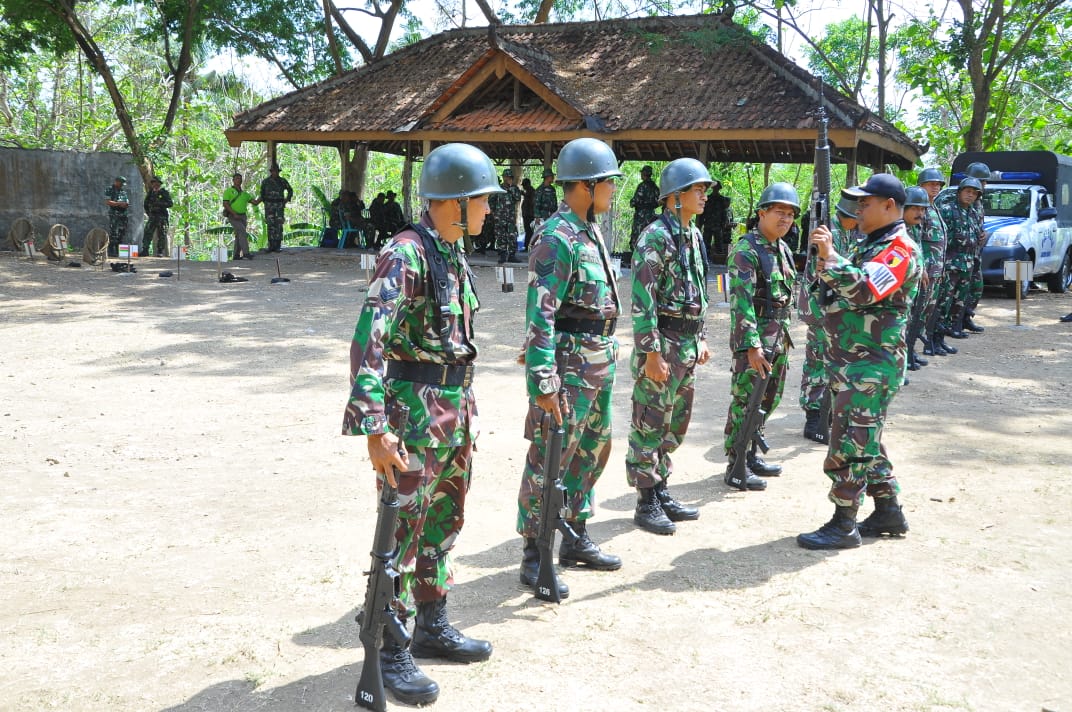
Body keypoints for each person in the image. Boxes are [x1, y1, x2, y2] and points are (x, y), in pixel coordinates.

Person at [342, 143, 503, 706]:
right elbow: (370, 340)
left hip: (453, 413)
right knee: (403, 534)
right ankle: (390, 648)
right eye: (482, 200)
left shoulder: (449, 253)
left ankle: (432, 624)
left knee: (443, 523)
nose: (489, 209)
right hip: (413, 418)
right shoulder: (406, 254)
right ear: (453, 202)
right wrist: (373, 427)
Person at [517, 137, 623, 597]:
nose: (614, 191)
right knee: (550, 457)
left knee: (592, 450)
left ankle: (574, 532)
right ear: (585, 185)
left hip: (598, 360)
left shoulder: (589, 229)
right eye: (608, 183)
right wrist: (543, 378)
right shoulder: (556, 236)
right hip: (569, 363)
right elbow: (539, 313)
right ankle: (534, 550)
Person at [797, 173, 922, 550]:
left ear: (889, 206)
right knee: (866, 438)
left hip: (871, 365)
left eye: (866, 203)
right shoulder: (873, 244)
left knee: (852, 442)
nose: (859, 209)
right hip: (854, 363)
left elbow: (866, 289)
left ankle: (844, 523)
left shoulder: (899, 249)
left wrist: (831, 257)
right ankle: (887, 510)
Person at [626, 158, 712, 535]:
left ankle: (660, 488)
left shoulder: (692, 235)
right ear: (675, 197)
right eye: (698, 189)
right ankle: (646, 501)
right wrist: (651, 353)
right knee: (649, 422)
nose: (704, 195)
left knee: (674, 424)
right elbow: (643, 300)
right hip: (662, 344)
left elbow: (698, 289)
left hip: (687, 343)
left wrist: (701, 333)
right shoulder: (655, 237)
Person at [722, 182, 799, 491]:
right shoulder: (745, 251)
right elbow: (741, 305)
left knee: (768, 400)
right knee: (745, 402)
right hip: (756, 344)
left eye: (791, 214)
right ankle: (735, 463)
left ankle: (751, 454)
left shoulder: (783, 248)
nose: (786, 219)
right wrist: (752, 347)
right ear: (762, 213)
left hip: (778, 340)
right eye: (779, 212)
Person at [799, 195, 859, 442]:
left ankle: (829, 414)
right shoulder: (827, 232)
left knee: (835, 362)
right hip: (820, 308)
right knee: (817, 362)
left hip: (838, 307)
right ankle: (814, 417)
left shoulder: (849, 233)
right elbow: (820, 270)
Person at [936, 177, 984, 342]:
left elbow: (976, 235)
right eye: (967, 192)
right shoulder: (947, 210)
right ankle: (936, 336)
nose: (970, 196)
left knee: (960, 301)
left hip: (968, 263)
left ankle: (952, 329)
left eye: (974, 193)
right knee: (944, 300)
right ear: (960, 192)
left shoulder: (973, 213)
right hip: (951, 263)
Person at [903, 185, 943, 371]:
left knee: (917, 316)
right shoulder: (899, 229)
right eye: (915, 208)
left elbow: (918, 249)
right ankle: (903, 359)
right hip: (904, 283)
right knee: (905, 319)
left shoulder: (915, 227)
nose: (920, 213)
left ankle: (909, 353)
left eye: (922, 209)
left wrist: (923, 268)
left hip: (918, 277)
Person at [916, 168, 951, 358]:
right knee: (917, 310)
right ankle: (906, 351)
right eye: (931, 184)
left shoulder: (934, 208)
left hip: (936, 270)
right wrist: (920, 267)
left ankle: (913, 349)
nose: (935, 187)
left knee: (928, 310)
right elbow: (916, 240)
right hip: (926, 271)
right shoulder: (919, 209)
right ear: (921, 186)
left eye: (938, 184)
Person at [626, 165, 660, 266]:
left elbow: (635, 201)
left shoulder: (642, 186)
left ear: (644, 174)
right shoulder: (655, 187)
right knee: (648, 237)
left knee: (636, 236)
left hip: (641, 215)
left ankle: (636, 261)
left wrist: (632, 202)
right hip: (651, 216)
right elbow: (659, 201)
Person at [257, 163, 293, 253]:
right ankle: (271, 246)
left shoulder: (282, 181)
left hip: (279, 205)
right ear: (271, 172)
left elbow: (290, 190)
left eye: (276, 171)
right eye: (273, 171)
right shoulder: (266, 182)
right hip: (269, 205)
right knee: (270, 225)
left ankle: (278, 245)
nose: (275, 173)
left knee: (279, 224)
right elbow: (262, 193)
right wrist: (266, 202)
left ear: (278, 172)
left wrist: (286, 200)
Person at [490, 168, 523, 264]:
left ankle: (512, 255)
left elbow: (518, 198)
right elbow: (491, 200)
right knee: (501, 236)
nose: (506, 179)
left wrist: (511, 188)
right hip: (500, 217)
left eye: (508, 178)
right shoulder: (498, 189)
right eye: (505, 177)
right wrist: (493, 212)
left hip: (510, 217)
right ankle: (502, 255)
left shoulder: (514, 188)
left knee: (512, 235)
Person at [697, 180, 734, 263]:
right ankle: (706, 260)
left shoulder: (722, 200)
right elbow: (703, 212)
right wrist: (700, 223)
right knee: (706, 244)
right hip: (708, 224)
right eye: (715, 187)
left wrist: (724, 223)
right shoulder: (708, 199)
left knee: (719, 244)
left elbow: (724, 212)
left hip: (717, 225)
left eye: (717, 188)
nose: (716, 189)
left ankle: (719, 261)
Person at [222, 172, 256, 260]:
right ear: (233, 180)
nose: (239, 180)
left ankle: (236, 255)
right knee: (242, 231)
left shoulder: (245, 194)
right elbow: (225, 204)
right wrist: (234, 214)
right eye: (237, 178)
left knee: (239, 235)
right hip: (233, 216)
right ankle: (246, 253)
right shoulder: (229, 191)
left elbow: (255, 202)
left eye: (240, 179)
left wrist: (263, 196)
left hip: (242, 216)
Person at [142, 175, 173, 257]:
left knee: (162, 234)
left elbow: (170, 204)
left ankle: (160, 251)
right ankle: (145, 250)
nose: (155, 184)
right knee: (147, 232)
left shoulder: (164, 192)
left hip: (162, 217)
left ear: (159, 184)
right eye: (153, 183)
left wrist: (160, 204)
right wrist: (149, 213)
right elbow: (146, 204)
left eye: (157, 183)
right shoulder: (150, 193)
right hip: (153, 216)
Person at [104, 175, 130, 258]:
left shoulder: (123, 191)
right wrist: (119, 203)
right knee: (114, 232)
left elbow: (126, 202)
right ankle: (111, 250)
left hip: (123, 214)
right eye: (121, 183)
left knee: (122, 232)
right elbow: (108, 202)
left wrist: (125, 205)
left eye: (123, 184)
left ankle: (120, 251)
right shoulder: (110, 189)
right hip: (114, 214)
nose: (122, 185)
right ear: (116, 182)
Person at [533, 168, 558, 236]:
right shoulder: (540, 189)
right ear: (547, 177)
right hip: (543, 216)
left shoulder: (552, 189)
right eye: (551, 176)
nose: (553, 178)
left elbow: (555, 203)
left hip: (552, 216)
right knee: (542, 235)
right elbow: (536, 204)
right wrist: (537, 217)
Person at [521, 177, 536, 250]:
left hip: (529, 214)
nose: (523, 187)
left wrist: (525, 195)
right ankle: (527, 245)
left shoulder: (531, 191)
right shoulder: (528, 191)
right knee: (528, 231)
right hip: (526, 214)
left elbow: (532, 202)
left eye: (524, 185)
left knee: (529, 231)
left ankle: (528, 246)